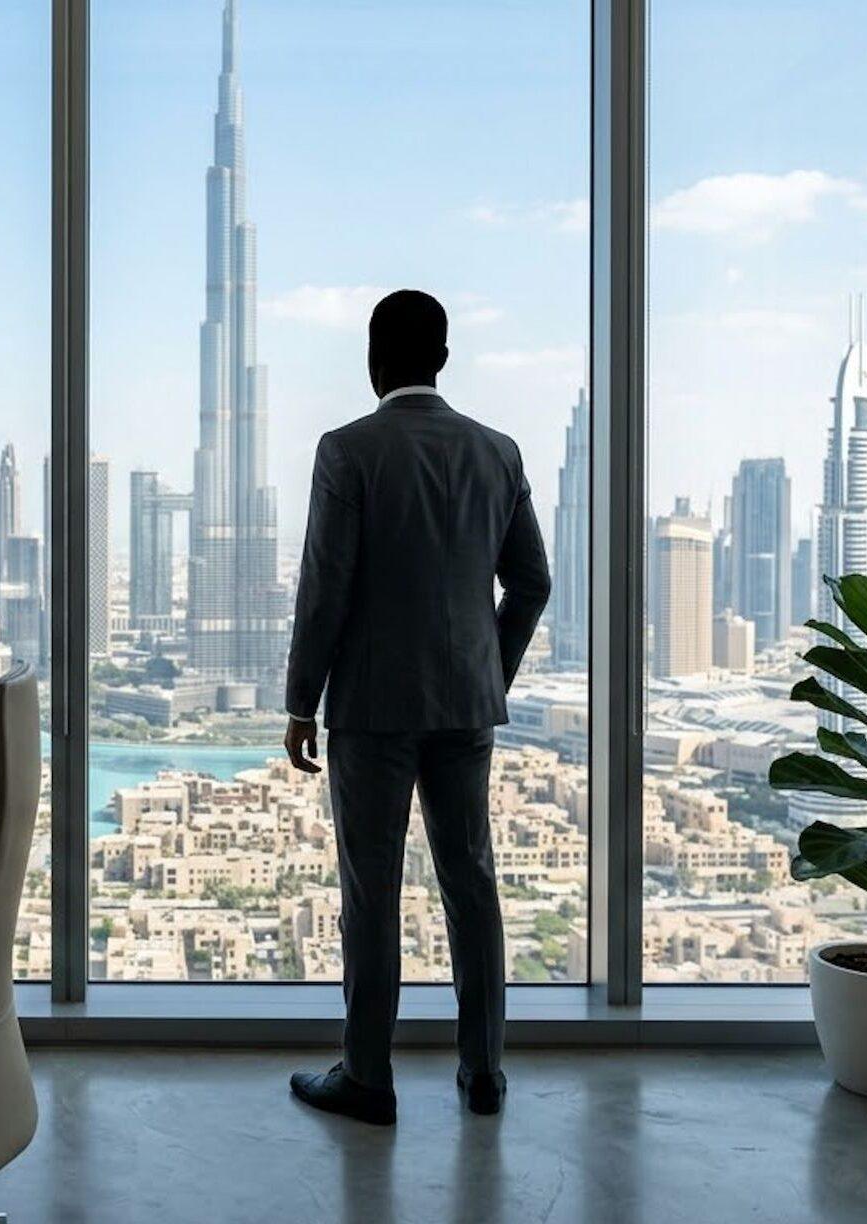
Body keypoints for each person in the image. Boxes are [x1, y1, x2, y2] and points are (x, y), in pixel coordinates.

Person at [281, 289, 551, 1125]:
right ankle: (484, 1072)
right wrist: (487, 675)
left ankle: (368, 1077)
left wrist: (300, 702)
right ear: (442, 357)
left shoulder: (347, 451)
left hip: (370, 708)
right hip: (466, 706)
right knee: (472, 881)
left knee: (374, 892)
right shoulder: (497, 452)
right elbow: (531, 582)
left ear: (375, 358)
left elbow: (326, 590)